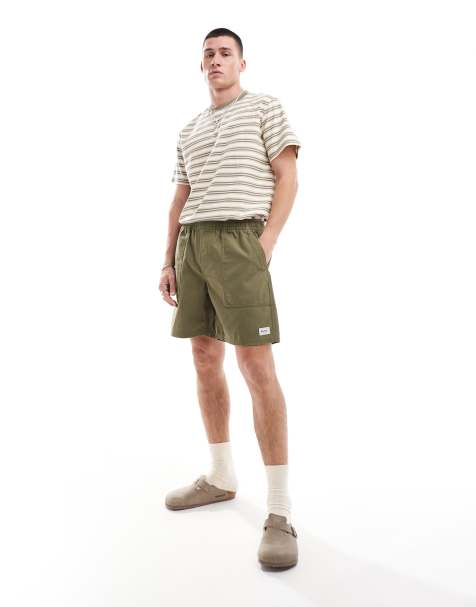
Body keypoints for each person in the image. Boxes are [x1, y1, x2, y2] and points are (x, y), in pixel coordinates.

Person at [159, 27, 301, 569]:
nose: (216, 60)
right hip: (193, 245)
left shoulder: (265, 108)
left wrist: (266, 243)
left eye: (225, 53)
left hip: (241, 239)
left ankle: (280, 510)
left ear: (242, 63)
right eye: (209, 55)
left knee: (256, 365)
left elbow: (288, 176)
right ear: (201, 67)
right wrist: (168, 259)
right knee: (203, 356)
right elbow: (180, 199)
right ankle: (221, 475)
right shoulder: (189, 129)